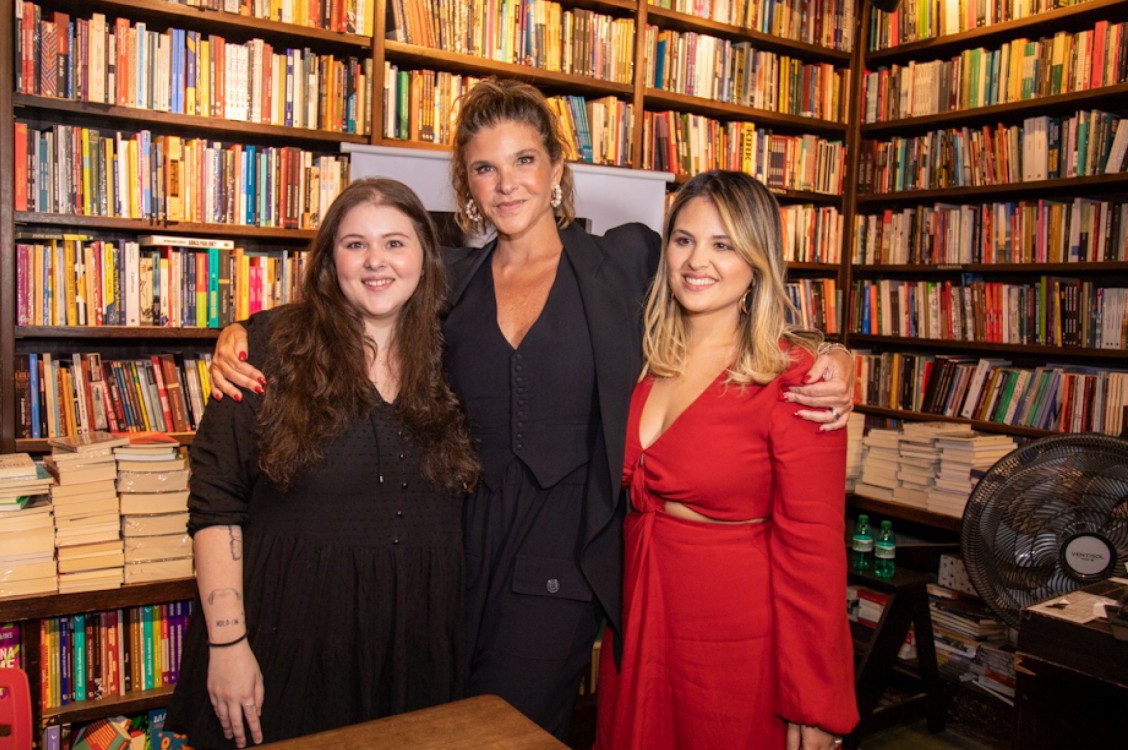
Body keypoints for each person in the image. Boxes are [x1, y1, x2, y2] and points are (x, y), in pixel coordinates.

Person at [208, 79, 855, 739]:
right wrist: (245, 332)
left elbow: (728, 285)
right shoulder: (450, 282)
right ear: (467, 182)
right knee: (432, 722)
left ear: (555, 169)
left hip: (564, 559)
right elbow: (354, 300)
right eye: (485, 167)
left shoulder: (626, 261)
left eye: (523, 160)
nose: (506, 182)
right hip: (456, 551)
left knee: (501, 726)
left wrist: (833, 355)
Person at [166, 178, 481, 749]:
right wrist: (228, 645)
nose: (376, 261)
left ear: (425, 257)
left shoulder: (457, 356)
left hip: (416, 648)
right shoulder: (265, 348)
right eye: (355, 244)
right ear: (330, 259)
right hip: (290, 641)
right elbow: (215, 503)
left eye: (395, 242)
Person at [594, 171, 858, 750]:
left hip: (733, 634)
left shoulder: (796, 379)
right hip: (639, 611)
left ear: (757, 261)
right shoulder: (638, 354)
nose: (697, 261)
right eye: (684, 239)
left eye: (723, 244)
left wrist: (814, 705)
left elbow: (814, 551)